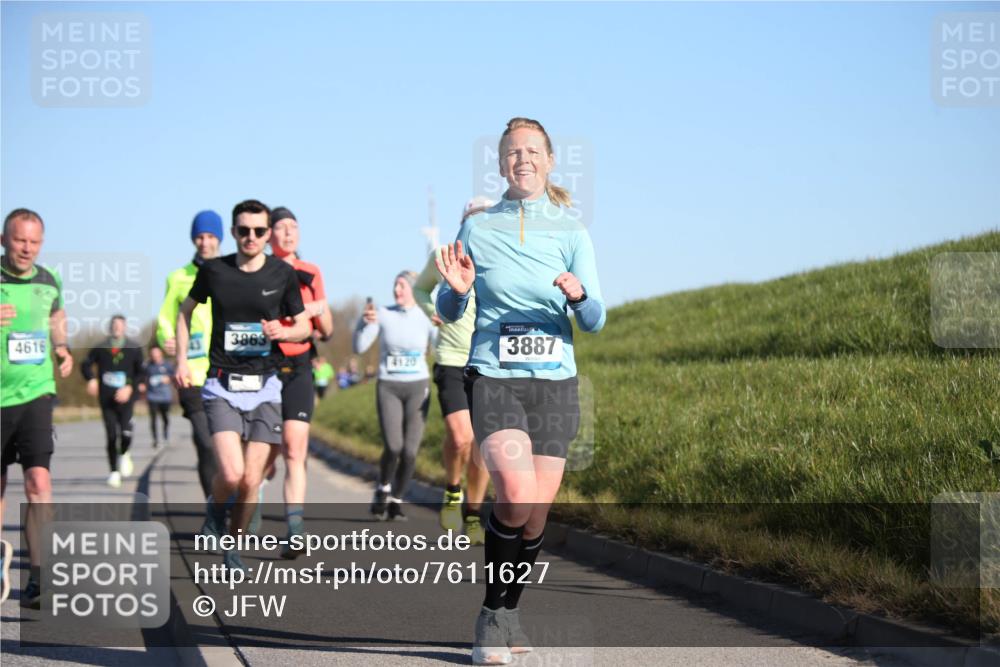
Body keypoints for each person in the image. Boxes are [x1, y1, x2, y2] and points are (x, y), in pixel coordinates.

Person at [436, 118, 606, 664]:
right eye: (513, 152)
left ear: (550, 161)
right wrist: (456, 292)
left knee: (535, 514)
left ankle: (510, 610)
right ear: (500, 163)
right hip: (495, 377)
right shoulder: (478, 228)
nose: (523, 159)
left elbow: (596, 319)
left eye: (533, 151)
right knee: (513, 492)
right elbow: (448, 307)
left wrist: (579, 297)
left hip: (555, 385)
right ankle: (490, 617)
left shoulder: (572, 233)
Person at [175, 199, 310, 571]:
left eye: (259, 231)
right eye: (244, 230)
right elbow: (185, 311)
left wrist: (283, 331)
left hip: (266, 388)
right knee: (232, 474)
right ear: (234, 232)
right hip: (221, 387)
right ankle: (214, 509)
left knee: (252, 479)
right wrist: (181, 360)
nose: (251, 237)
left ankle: (231, 549)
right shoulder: (215, 271)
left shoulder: (282, 273)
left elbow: (303, 326)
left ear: (267, 235)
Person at [0, 208, 73, 607]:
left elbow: (57, 315)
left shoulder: (49, 279)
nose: (27, 248)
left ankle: (40, 577)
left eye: (34, 241)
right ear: (3, 240)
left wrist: (61, 347)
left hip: (37, 392)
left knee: (39, 483)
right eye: (19, 240)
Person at [414, 196, 494, 545]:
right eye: (473, 219)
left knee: (481, 446)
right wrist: (432, 310)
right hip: (450, 358)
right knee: (460, 437)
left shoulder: (502, 260)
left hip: (487, 361)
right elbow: (420, 287)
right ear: (463, 223)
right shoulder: (443, 254)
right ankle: (451, 490)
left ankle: (473, 515)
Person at [268, 206, 334, 558]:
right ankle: (251, 499)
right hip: (264, 365)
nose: (288, 232)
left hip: (299, 364)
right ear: (269, 235)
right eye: (281, 227)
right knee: (266, 452)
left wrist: (315, 311)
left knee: (294, 447)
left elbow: (328, 328)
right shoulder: (259, 270)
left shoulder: (311, 271)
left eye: (293, 226)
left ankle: (295, 531)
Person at [353, 272, 435, 521]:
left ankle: (396, 501)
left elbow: (442, 344)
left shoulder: (426, 315)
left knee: (410, 451)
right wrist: (363, 324)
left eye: (402, 285)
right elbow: (359, 347)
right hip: (389, 386)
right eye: (395, 285)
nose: (397, 290)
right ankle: (383, 487)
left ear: (414, 289)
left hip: (418, 386)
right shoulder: (382, 313)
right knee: (393, 446)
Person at [157, 210, 223, 498]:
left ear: (220, 238)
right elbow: (165, 318)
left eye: (210, 236)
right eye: (199, 237)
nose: (204, 242)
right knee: (206, 442)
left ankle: (231, 497)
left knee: (226, 445)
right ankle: (214, 506)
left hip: (225, 370)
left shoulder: (230, 272)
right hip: (192, 373)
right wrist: (167, 339)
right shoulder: (178, 277)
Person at [81, 314, 146, 488]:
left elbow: (141, 372)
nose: (117, 327)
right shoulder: (101, 348)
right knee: (111, 435)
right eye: (114, 325)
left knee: (125, 433)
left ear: (125, 327)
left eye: (120, 325)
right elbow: (85, 364)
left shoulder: (134, 348)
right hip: (106, 398)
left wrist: (130, 387)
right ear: (110, 327)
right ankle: (114, 472)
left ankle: (124, 453)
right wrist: (91, 379)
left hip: (127, 398)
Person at [143, 345, 174, 448]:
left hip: (165, 396)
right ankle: (155, 440)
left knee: (165, 417)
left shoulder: (168, 365)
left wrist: (169, 378)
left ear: (161, 353)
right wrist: (142, 385)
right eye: (152, 354)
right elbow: (142, 377)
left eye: (156, 353)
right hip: (152, 396)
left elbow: (174, 376)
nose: (155, 356)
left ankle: (165, 436)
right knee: (153, 419)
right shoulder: (147, 366)